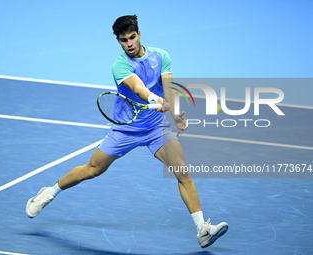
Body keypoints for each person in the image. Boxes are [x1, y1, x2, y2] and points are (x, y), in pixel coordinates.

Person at [26, 15, 228, 249]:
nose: (129, 43)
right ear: (118, 41)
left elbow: (168, 87)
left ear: (139, 34)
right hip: (126, 130)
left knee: (182, 172)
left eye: (132, 37)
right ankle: (49, 193)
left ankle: (202, 229)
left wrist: (176, 115)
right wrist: (154, 98)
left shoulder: (161, 56)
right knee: (92, 170)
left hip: (155, 128)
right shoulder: (120, 65)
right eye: (123, 40)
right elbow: (138, 88)